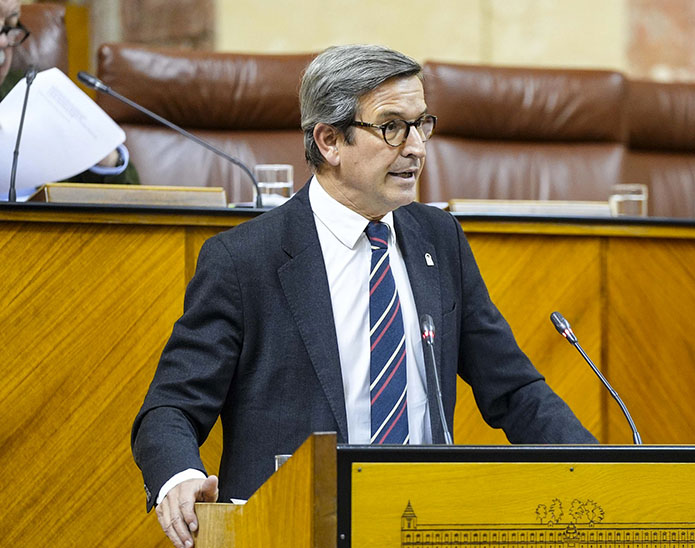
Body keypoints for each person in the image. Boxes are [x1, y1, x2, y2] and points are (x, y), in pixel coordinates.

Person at [132, 44, 597, 548]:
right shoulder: (245, 260)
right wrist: (179, 477)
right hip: (291, 528)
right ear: (330, 140)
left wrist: (603, 471)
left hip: (421, 524)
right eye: (392, 127)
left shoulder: (439, 239)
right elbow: (171, 408)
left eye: (422, 124)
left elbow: (514, 390)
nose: (416, 148)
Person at [0, 0, 138, 191]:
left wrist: (105, 157)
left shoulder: (36, 93)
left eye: (10, 25)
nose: (3, 42)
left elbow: (129, 193)